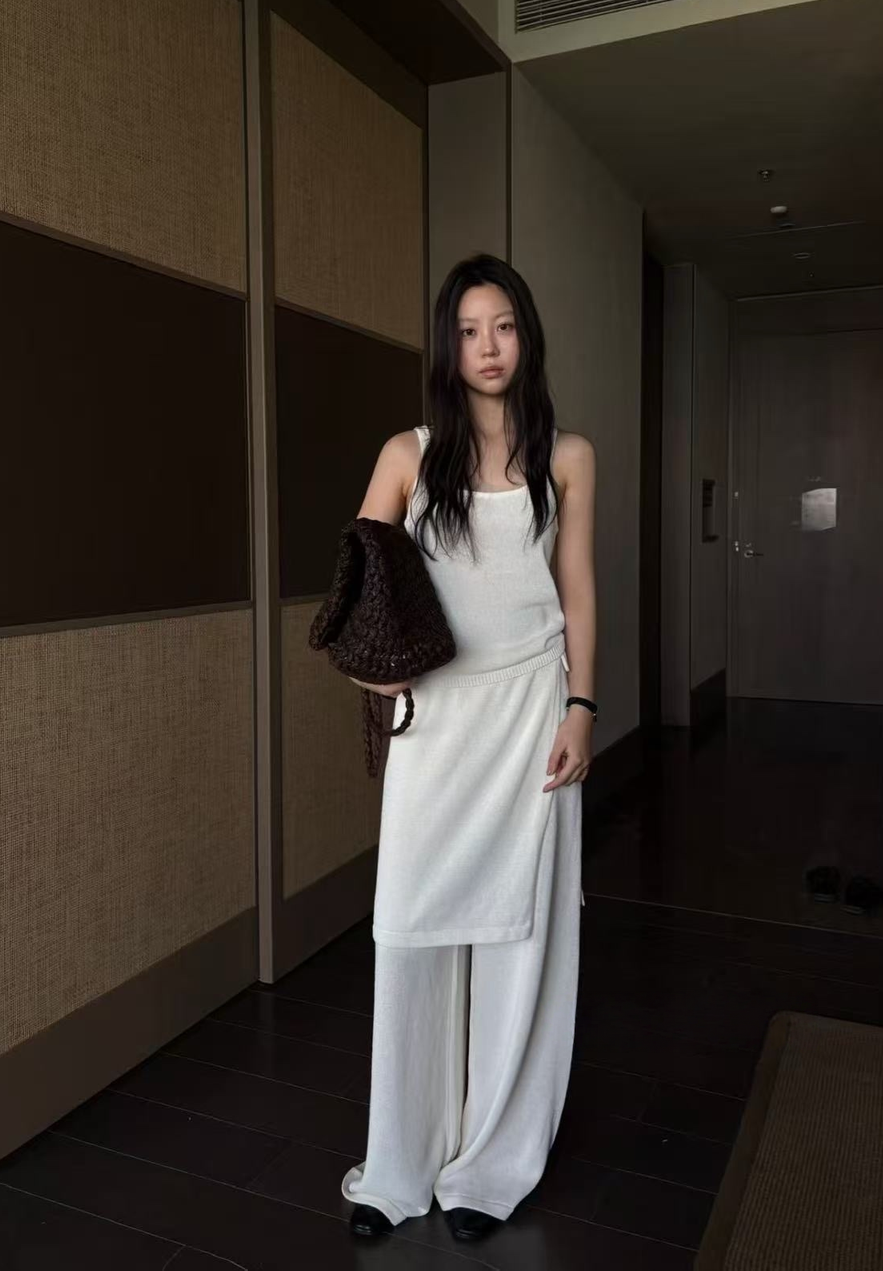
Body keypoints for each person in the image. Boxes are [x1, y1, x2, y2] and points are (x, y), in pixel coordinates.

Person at [340, 253, 597, 1244]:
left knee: (518, 942)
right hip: (439, 724)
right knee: (410, 928)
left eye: (504, 326)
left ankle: (488, 1166)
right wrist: (375, 674)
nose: (487, 348)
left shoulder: (568, 455)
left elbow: (577, 590)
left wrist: (582, 708)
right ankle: (399, 1164)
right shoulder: (408, 454)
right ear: (447, 348)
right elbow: (358, 584)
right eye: (467, 330)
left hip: (532, 713)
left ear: (526, 336)